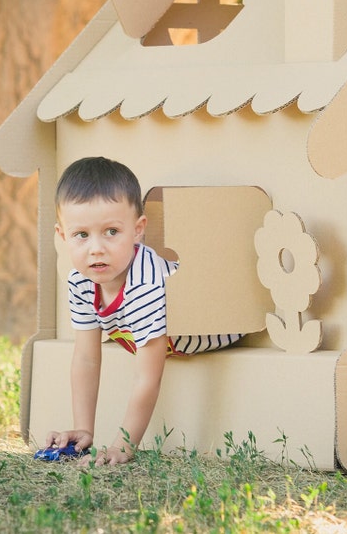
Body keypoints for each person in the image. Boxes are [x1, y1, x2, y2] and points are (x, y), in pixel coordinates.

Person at [45, 156, 241, 466]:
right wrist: (84, 428)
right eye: (81, 235)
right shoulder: (80, 280)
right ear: (62, 236)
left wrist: (123, 446)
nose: (96, 248)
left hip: (220, 324)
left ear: (138, 230)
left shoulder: (145, 284)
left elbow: (147, 376)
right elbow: (86, 357)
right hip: (156, 337)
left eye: (111, 231)